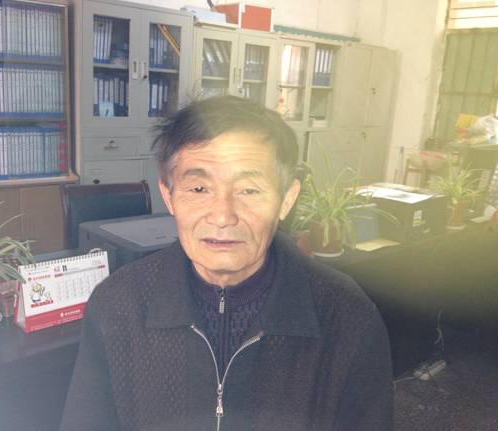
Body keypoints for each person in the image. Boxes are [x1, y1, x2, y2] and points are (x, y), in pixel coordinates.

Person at [60, 96, 393, 431]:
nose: (222, 216)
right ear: (169, 195)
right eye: (199, 188)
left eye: (249, 190)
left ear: (286, 199)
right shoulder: (117, 306)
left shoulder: (347, 318)